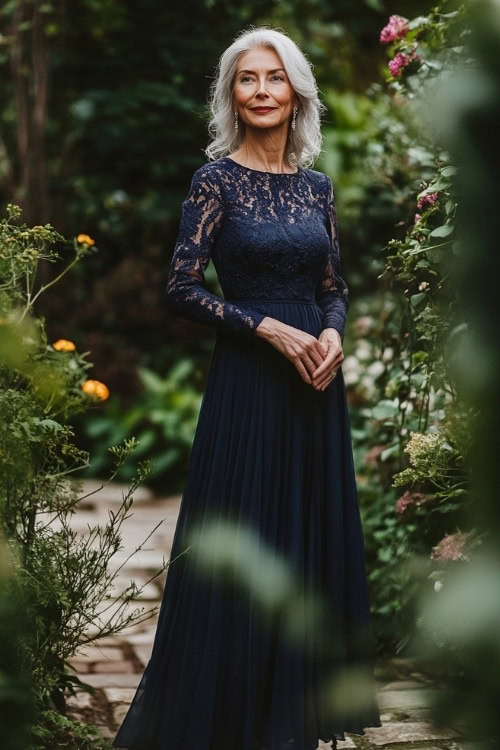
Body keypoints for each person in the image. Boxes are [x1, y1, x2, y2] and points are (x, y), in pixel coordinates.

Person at [112, 25, 382, 750]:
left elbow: (335, 286)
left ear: (297, 92)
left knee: (305, 543)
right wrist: (266, 328)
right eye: (247, 79)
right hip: (249, 384)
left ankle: (290, 723)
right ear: (232, 94)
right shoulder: (215, 181)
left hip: (313, 389)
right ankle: (222, 718)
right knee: (247, 543)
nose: (261, 91)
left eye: (274, 78)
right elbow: (180, 287)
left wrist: (331, 333)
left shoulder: (316, 187)